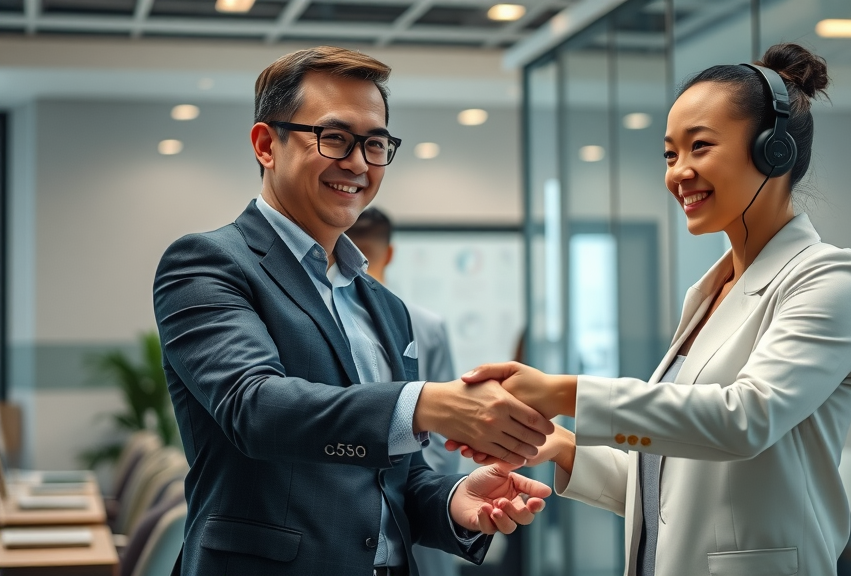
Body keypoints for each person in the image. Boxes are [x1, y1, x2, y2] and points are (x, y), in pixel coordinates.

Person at [457, 43, 851, 576]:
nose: (679, 172)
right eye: (669, 154)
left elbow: (744, 421)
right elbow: (670, 493)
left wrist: (564, 393)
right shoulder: (709, 293)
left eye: (699, 147)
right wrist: (563, 447)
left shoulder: (831, 278)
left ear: (774, 152)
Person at [153, 46, 554, 575]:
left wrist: (454, 501)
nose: (359, 163)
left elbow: (394, 478)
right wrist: (425, 404)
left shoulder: (386, 307)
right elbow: (254, 408)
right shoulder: (208, 263)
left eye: (376, 143)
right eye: (335, 138)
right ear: (266, 144)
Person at [348, 207, 461, 576]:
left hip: (413, 507)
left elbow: (448, 421)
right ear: (390, 252)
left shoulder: (418, 322)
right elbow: (448, 435)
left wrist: (430, 495)